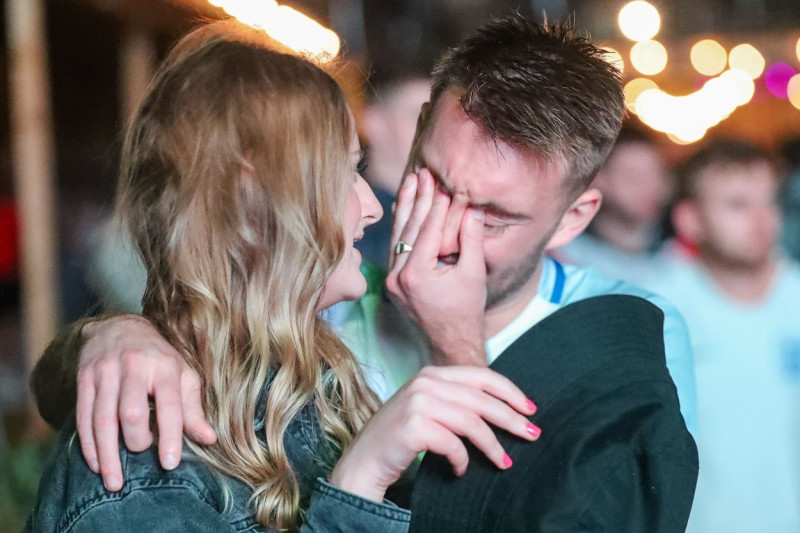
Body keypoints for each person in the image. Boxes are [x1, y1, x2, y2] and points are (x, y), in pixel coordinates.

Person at [32, 12, 696, 491]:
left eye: (494, 216)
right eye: (431, 182)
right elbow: (183, 371)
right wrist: (112, 334)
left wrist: (456, 347)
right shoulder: (337, 297)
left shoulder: (626, 335)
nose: (445, 231)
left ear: (570, 220)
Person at [26, 20, 540, 532]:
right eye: (344, 174)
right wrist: (358, 484)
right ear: (255, 197)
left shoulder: (311, 384)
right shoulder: (150, 458)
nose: (371, 209)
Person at [644, 139, 800, 532]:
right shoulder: (656, 307)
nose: (762, 219)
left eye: (769, 202)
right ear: (690, 219)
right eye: (738, 204)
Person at [554, 126, 676, 286]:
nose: (651, 186)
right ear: (598, 178)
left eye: (657, 174)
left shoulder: (678, 251)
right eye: (633, 177)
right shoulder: (564, 253)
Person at [355, 76, 431, 268]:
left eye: (436, 117)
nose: (431, 129)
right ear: (374, 122)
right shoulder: (349, 215)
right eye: (419, 115)